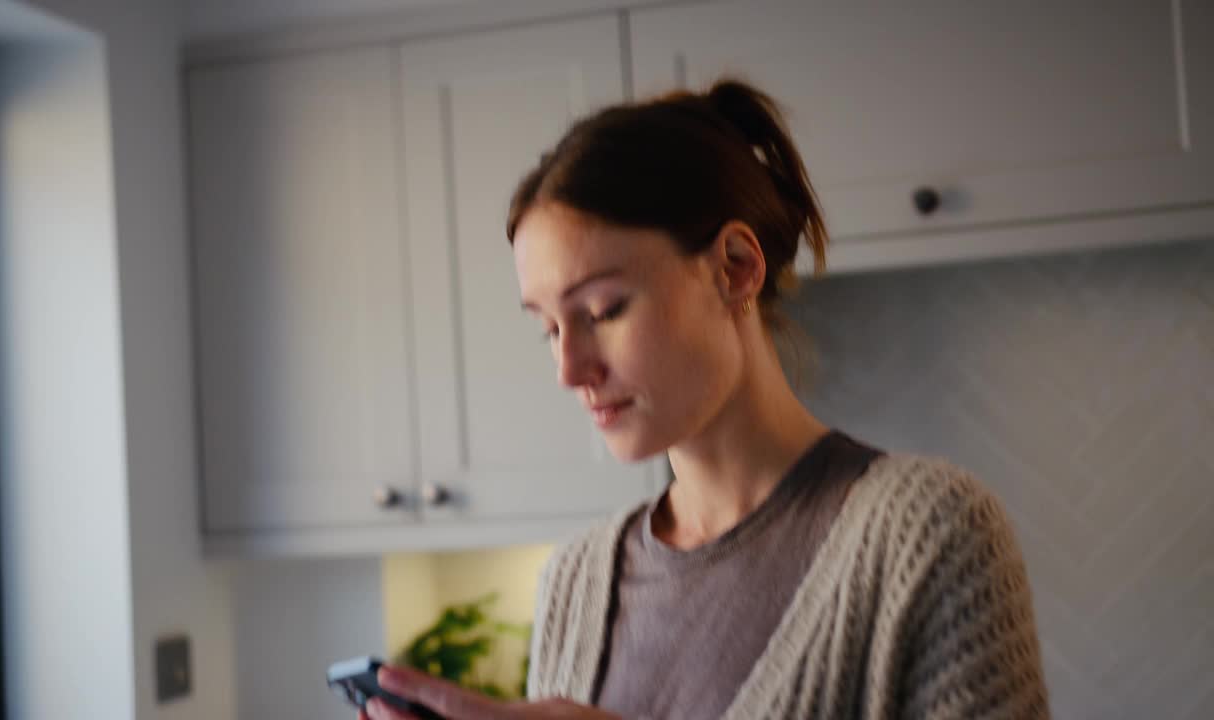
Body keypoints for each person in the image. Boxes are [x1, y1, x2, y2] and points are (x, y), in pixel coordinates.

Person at [360, 79, 1050, 720]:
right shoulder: (574, 583)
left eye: (602, 310)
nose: (569, 369)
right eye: (546, 328)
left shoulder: (930, 533)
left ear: (735, 269)